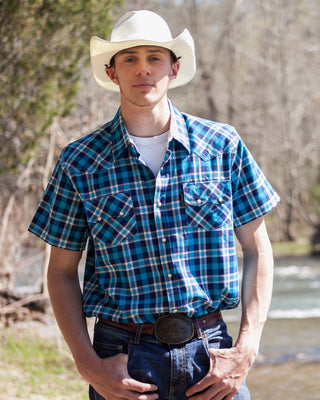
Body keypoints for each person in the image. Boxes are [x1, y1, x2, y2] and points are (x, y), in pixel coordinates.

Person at [29, 10, 280, 400]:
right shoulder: (79, 162)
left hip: (212, 356)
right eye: (129, 58)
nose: (142, 69)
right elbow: (61, 272)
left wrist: (246, 349)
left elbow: (258, 249)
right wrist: (88, 365)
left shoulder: (222, 146)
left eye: (154, 58)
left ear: (173, 69)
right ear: (112, 73)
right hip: (124, 361)